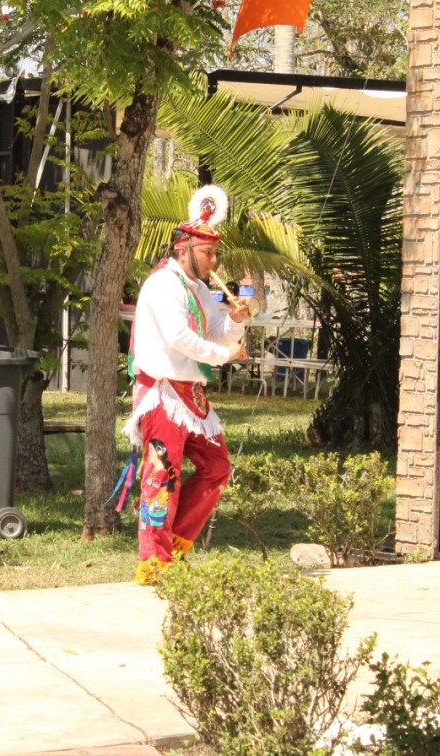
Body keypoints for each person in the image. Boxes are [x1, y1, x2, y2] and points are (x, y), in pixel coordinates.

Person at [124, 185, 249, 585]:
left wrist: (237, 319)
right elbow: (181, 338)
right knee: (162, 476)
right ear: (184, 250)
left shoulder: (197, 290)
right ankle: (154, 561)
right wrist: (225, 356)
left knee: (217, 467)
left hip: (191, 395)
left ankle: (174, 543)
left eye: (215, 253)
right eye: (207, 252)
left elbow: (216, 333)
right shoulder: (163, 285)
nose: (214, 261)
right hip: (162, 392)